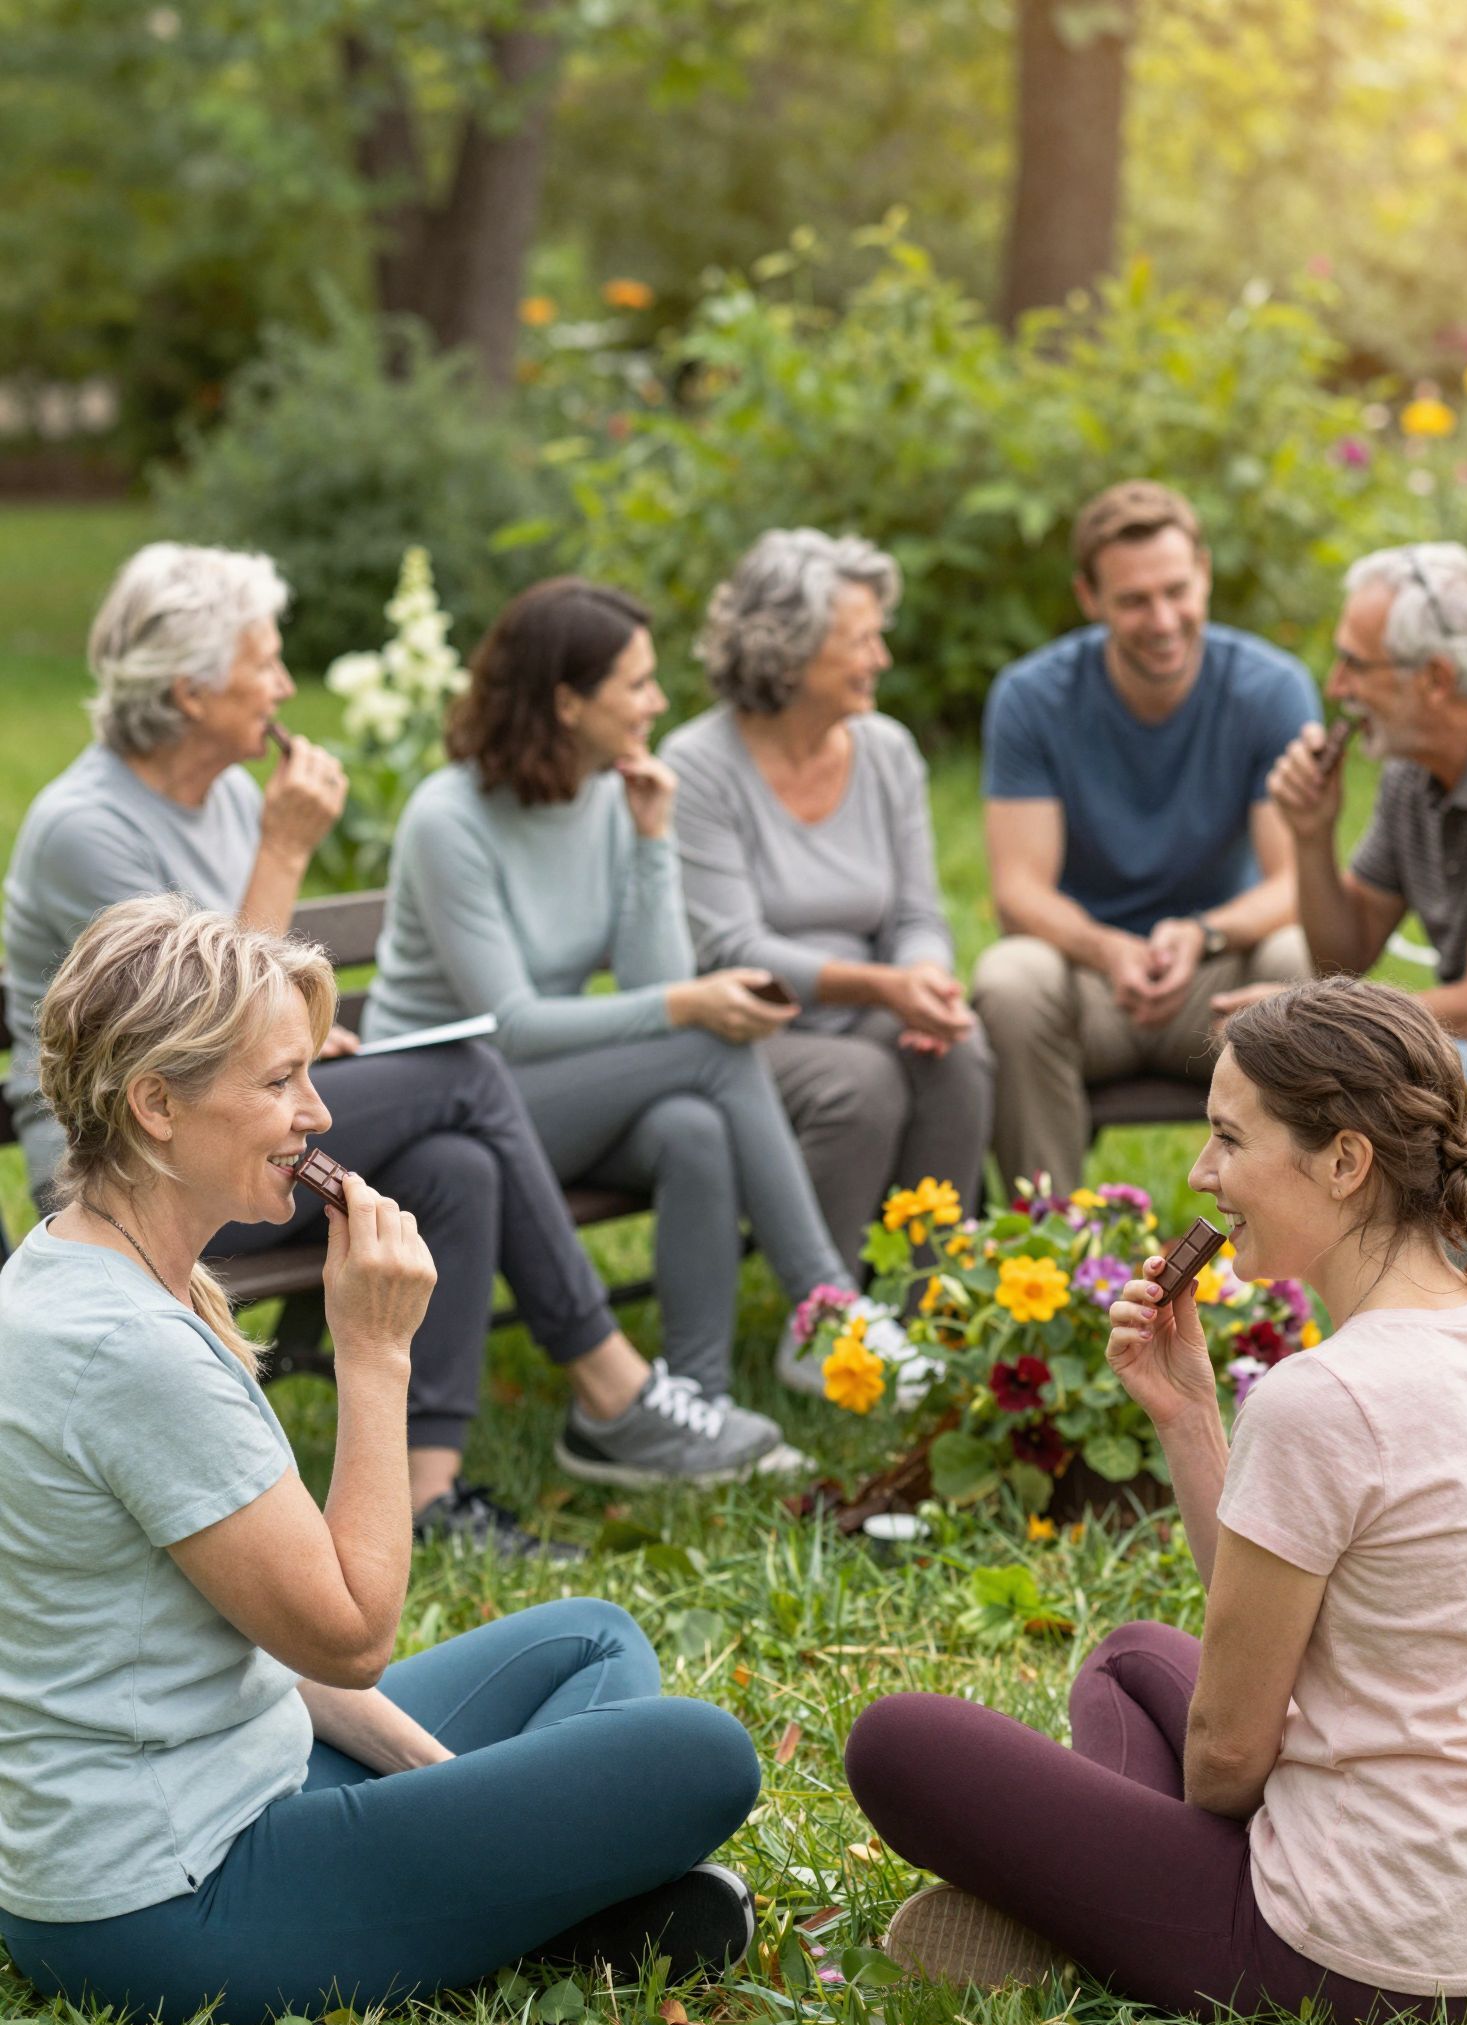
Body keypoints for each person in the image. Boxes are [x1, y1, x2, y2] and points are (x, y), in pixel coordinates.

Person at [0, 897, 762, 2025]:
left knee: (591, 1638)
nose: (317, 1114)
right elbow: (351, 1638)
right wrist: (373, 1351)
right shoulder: (129, 1352)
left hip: (240, 1767)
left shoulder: (77, 1268)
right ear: (156, 1104)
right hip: (171, 1892)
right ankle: (535, 1900)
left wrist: (456, 1799)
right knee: (703, 1755)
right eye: (279, 1081)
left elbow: (272, 1637)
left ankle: (517, 1893)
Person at [1, 546, 788, 1544]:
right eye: (265, 662)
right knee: (465, 1075)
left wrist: (295, 1047)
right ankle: (608, 1379)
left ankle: (427, 1488)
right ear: (190, 690)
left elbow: (231, 1026)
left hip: (222, 1127)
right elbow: (194, 1025)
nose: (285, 686)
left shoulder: (228, 795)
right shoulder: (87, 825)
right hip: (125, 1173)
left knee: (455, 1162)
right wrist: (287, 853)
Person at [844, 978, 1467, 2022]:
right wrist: (1187, 1414)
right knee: (1130, 1659)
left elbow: (1223, 1763)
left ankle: (1081, 1924)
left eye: (1229, 1137)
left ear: (1345, 1161)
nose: (1201, 1171)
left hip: (1349, 1955)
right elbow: (1264, 1618)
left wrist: (1171, 1820)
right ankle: (1106, 1903)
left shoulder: (1326, 1399)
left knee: (896, 1741)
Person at [362, 575, 916, 1440]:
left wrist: (654, 840)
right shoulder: (449, 820)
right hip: (442, 1110)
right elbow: (514, 1024)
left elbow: (653, 978)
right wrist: (689, 1005)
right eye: (638, 684)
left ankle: (697, 1397)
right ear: (567, 702)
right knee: (708, 1046)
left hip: (538, 1095)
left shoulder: (611, 795)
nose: (658, 702)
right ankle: (825, 1304)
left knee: (691, 1125)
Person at [660, 529, 994, 1307]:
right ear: (789, 653)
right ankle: (826, 1318)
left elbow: (916, 911)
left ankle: (933, 1309)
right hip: (743, 1029)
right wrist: (883, 988)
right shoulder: (697, 767)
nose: (881, 657)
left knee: (959, 1053)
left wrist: (924, 979)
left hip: (868, 1009)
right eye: (861, 640)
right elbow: (732, 947)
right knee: (861, 1084)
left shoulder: (886, 751)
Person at [973, 481, 1317, 1194]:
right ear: (1089, 597)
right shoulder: (1032, 698)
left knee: (1298, 955)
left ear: (1205, 574)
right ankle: (1050, 1237)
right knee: (1009, 976)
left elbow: (1294, 885)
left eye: (1177, 591)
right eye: (1133, 600)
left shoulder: (1269, 689)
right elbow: (1018, 892)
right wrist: (1107, 950)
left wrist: (1204, 935)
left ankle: (1289, 1226)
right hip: (1090, 984)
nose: (1162, 620)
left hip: (1214, 985)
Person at [1230, 542, 1467, 1189]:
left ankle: (1410, 1269)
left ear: (1435, 679)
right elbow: (1344, 952)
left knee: (1417, 1091)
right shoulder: (1411, 773)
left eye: (1355, 664)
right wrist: (1311, 835)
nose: (1336, 688)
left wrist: (1318, 1023)